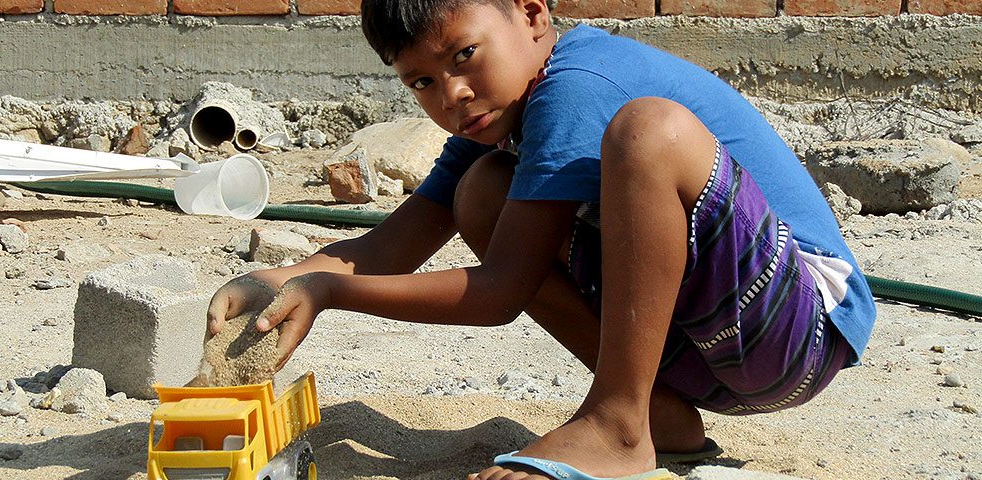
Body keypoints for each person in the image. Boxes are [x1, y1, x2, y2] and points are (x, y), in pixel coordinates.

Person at [205, 0, 877, 478]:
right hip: (708, 351)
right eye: (423, 82)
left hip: (799, 328)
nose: (454, 95)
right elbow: (389, 247)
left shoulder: (576, 86)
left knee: (649, 132)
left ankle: (616, 423)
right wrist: (276, 283)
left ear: (531, 14)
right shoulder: (497, 122)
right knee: (484, 192)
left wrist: (328, 292)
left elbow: (499, 291)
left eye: (464, 55)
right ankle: (656, 413)